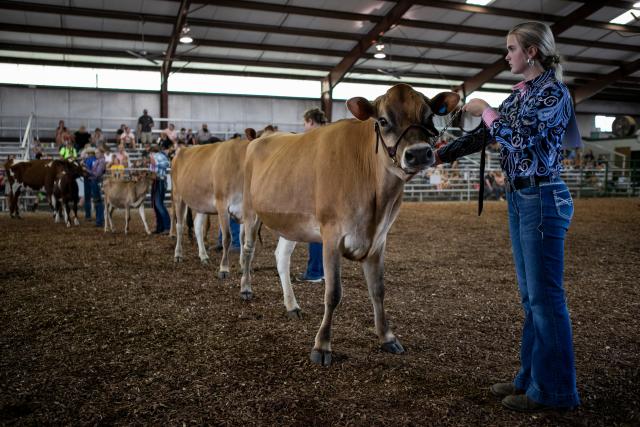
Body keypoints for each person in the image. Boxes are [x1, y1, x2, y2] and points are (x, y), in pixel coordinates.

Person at [435, 21, 580, 412]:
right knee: (532, 298)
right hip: (522, 198)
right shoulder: (520, 97)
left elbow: (520, 138)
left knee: (546, 299)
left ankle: (555, 392)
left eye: (512, 48)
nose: (507, 55)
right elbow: (486, 136)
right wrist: (436, 154)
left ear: (531, 52)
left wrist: (486, 110)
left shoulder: (554, 93)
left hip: (543, 197)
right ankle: (531, 378)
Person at [294, 107, 327, 283]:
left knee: (317, 230)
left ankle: (314, 272)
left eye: (305, 123)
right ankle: (324, 272)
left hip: (318, 189)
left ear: (311, 122)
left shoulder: (314, 138)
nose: (305, 127)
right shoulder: (333, 134)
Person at [149, 144, 171, 234]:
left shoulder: (154, 156)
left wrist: (153, 162)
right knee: (157, 204)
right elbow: (167, 164)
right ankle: (161, 227)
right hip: (160, 181)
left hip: (158, 180)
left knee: (158, 204)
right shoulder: (163, 156)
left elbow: (154, 166)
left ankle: (166, 226)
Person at [89, 147, 106, 227]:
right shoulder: (99, 161)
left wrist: (87, 171)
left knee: (98, 201)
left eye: (97, 153)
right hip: (95, 181)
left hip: (97, 181)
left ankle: (99, 220)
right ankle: (99, 220)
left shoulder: (101, 161)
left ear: (101, 153)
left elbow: (97, 174)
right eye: (95, 153)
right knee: (97, 201)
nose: (96, 154)